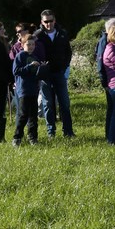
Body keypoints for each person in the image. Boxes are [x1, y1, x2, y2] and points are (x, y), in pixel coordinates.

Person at [33, 10, 75, 139]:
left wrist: (64, 66)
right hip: (45, 75)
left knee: (64, 103)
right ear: (42, 22)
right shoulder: (38, 35)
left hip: (59, 72)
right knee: (48, 104)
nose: (48, 24)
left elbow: (68, 52)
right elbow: (32, 52)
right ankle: (51, 132)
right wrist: (40, 67)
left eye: (51, 21)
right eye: (46, 21)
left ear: (54, 20)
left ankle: (68, 131)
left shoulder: (62, 34)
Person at [12, 34, 48, 146]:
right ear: (23, 45)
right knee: (23, 115)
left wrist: (42, 68)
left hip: (34, 89)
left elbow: (37, 74)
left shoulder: (35, 57)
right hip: (23, 90)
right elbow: (16, 71)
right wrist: (29, 66)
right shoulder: (20, 56)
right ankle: (17, 137)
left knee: (33, 116)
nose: (31, 46)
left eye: (33, 44)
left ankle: (33, 137)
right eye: (28, 44)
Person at [96, 18, 115, 138]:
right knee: (112, 107)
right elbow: (100, 63)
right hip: (109, 81)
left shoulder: (113, 40)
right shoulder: (104, 41)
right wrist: (104, 82)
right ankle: (110, 134)